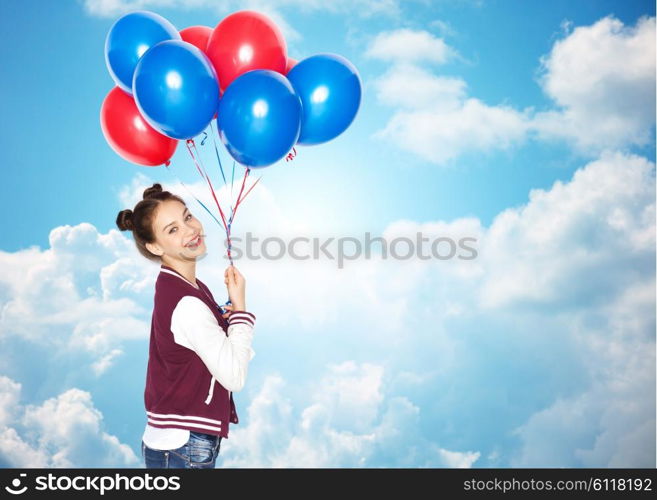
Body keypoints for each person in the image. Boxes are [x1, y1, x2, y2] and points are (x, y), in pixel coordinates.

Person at [116, 183, 256, 469]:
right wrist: (240, 310)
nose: (190, 230)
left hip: (178, 443)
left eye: (188, 217)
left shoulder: (185, 286)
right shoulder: (188, 303)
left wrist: (223, 323)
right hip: (183, 446)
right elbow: (234, 376)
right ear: (154, 246)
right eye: (172, 230)